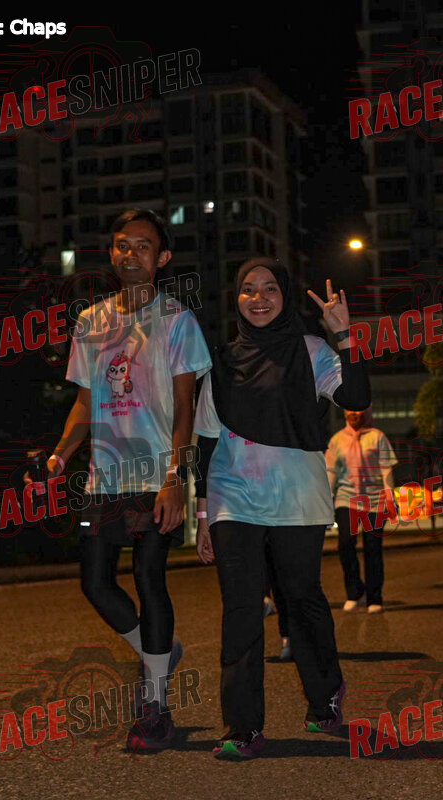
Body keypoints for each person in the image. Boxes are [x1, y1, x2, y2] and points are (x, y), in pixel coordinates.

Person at [25, 208, 211, 751]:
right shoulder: (91, 321)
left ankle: (155, 705)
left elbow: (186, 408)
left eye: (143, 246)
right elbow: (85, 404)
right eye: (122, 245)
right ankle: (161, 653)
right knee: (95, 583)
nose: (131, 254)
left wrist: (177, 479)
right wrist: (59, 458)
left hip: (156, 474)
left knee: (150, 577)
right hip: (103, 477)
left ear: (163, 258)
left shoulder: (177, 320)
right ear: (111, 253)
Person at [194, 257, 370, 760]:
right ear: (237, 298)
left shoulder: (311, 350)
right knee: (242, 608)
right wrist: (203, 514)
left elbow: (357, 396)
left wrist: (344, 336)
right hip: (233, 497)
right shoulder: (221, 361)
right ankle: (243, 726)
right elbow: (206, 441)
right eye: (248, 289)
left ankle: (325, 692)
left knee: (300, 598)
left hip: (297, 495)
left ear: (285, 295)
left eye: (270, 288)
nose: (259, 298)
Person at [325, 407, 397, 613]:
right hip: (347, 499)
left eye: (358, 410)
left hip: (374, 500)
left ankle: (375, 597)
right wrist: (326, 499)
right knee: (345, 543)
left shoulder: (377, 437)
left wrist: (390, 497)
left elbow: (386, 469)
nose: (353, 413)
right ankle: (355, 591)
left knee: (373, 547)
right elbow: (331, 471)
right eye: (349, 409)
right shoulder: (337, 440)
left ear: (365, 411)